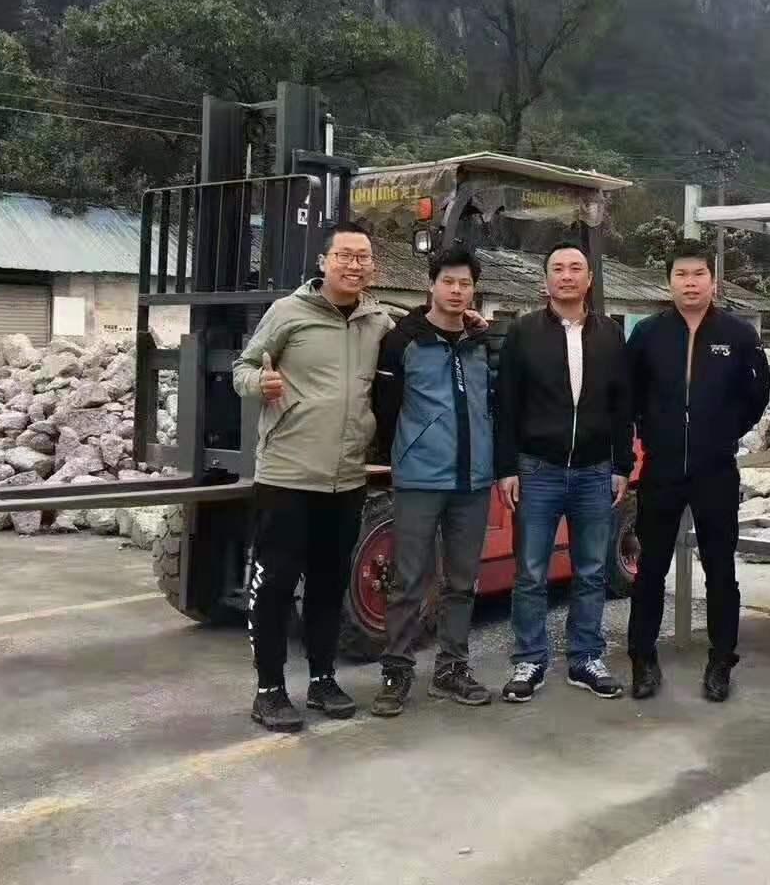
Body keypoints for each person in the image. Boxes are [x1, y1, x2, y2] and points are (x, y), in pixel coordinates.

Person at [232, 221, 393, 732]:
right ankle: (269, 689)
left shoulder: (377, 321)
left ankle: (323, 679)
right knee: (276, 584)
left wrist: (469, 320)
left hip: (346, 477)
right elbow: (242, 368)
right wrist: (260, 382)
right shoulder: (288, 312)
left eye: (363, 256)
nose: (354, 265)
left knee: (328, 584)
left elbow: (422, 341)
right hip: (288, 473)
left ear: (372, 266)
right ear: (324, 262)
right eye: (344, 255)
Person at [625, 239, 770, 702]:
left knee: (720, 569)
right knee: (650, 568)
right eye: (681, 274)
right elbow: (630, 395)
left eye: (699, 274)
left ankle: (721, 661)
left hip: (716, 469)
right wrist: (652, 431)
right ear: (669, 281)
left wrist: (724, 431)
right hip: (662, 468)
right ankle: (642, 659)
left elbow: (757, 394)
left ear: (714, 281)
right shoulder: (647, 333)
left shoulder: (738, 334)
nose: (690, 283)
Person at [494, 241, 634, 703]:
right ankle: (530, 659)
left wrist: (622, 464)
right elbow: (506, 403)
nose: (567, 276)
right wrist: (507, 467)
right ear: (546, 279)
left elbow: (622, 405)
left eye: (576, 268)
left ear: (589, 279)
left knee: (591, 570)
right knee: (531, 573)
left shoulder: (610, 334)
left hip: (595, 471)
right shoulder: (523, 332)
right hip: (538, 469)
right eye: (558, 268)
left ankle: (585, 657)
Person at [368, 245, 498, 717]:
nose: (457, 290)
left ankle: (452, 669)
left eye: (465, 283)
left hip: (473, 481)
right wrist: (402, 453)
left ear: (474, 289)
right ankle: (397, 672)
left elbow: (494, 404)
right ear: (431, 284)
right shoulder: (404, 340)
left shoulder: (482, 342)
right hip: (420, 479)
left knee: (462, 582)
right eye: (449, 281)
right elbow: (385, 407)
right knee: (408, 580)